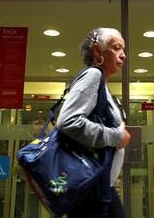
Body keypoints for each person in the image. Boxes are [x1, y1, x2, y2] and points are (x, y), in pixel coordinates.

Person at [56, 28, 131, 218]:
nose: (123, 55)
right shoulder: (93, 76)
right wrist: (116, 136)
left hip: (97, 185)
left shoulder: (101, 84)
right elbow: (68, 121)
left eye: (123, 49)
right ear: (98, 51)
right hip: (91, 188)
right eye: (116, 48)